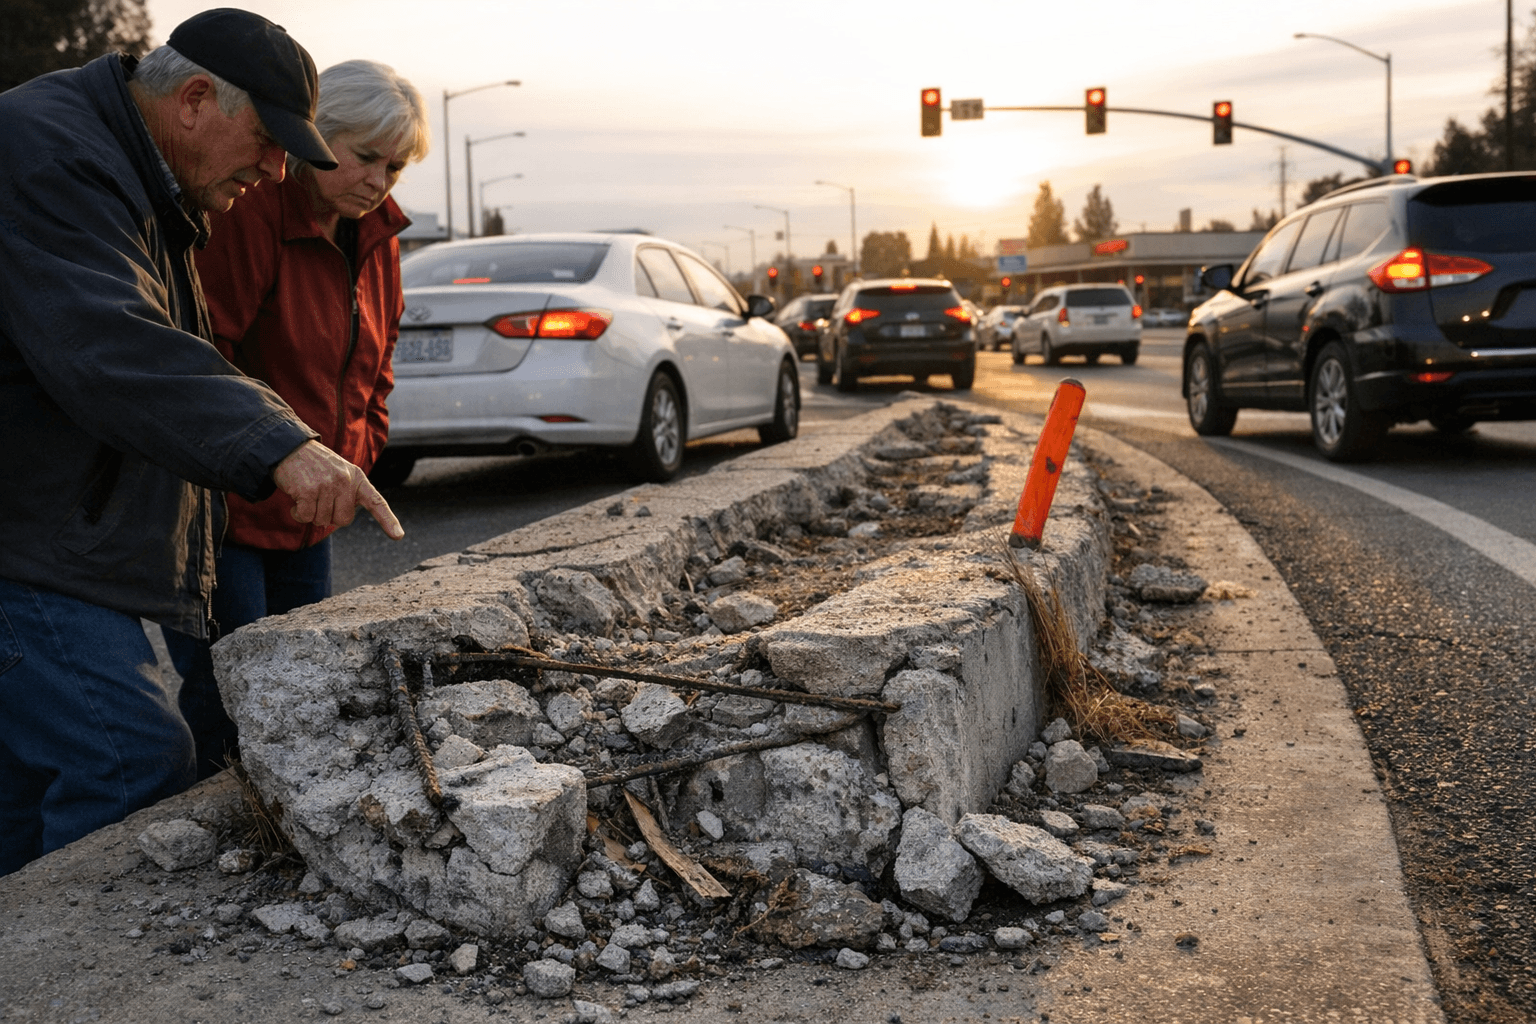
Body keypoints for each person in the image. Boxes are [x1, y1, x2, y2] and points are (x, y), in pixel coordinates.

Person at [0, 9, 404, 877]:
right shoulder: (51, 155)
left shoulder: (144, 176)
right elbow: (112, 345)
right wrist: (280, 444)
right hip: (20, 538)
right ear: (193, 100)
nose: (275, 168)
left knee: (26, 790)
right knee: (128, 758)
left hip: (38, 526)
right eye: (266, 141)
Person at [164, 60, 430, 779]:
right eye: (365, 155)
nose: (379, 180)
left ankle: (293, 827)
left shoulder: (378, 233)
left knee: (306, 680)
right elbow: (202, 349)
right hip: (229, 507)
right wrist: (268, 456)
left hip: (317, 503)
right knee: (234, 692)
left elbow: (379, 358)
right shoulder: (251, 209)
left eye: (396, 167)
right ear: (315, 134)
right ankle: (225, 829)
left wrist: (360, 446)